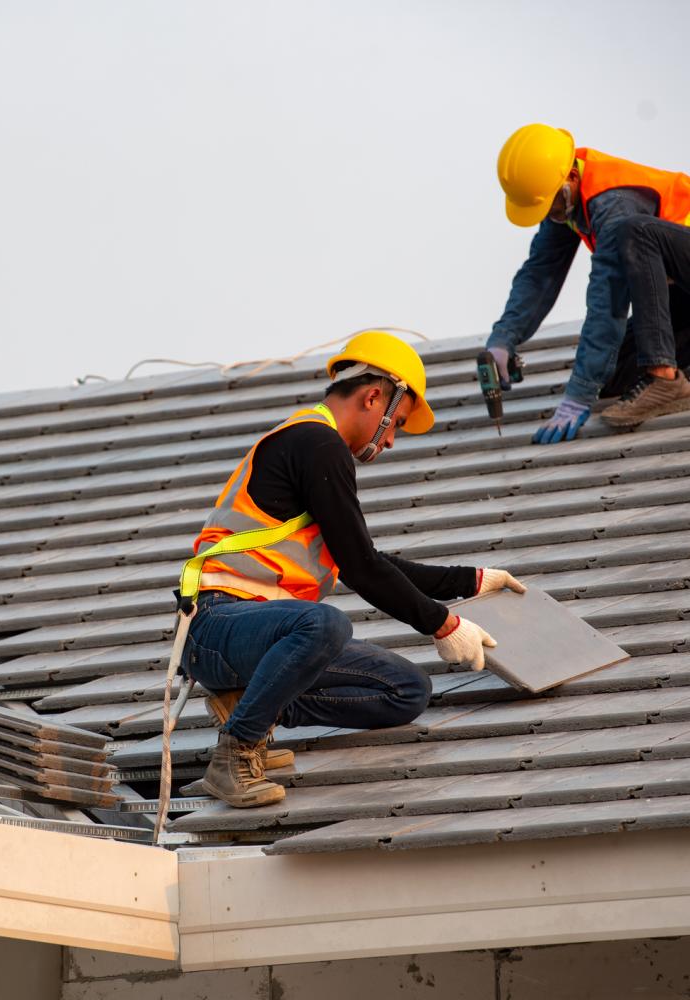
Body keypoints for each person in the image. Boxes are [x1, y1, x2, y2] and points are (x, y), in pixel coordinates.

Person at [181, 331, 525, 808]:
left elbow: (368, 560)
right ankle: (236, 753)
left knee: (407, 689)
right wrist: (442, 623)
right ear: (373, 397)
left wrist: (470, 581)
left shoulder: (317, 448)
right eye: (396, 424)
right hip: (216, 628)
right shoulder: (317, 444)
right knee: (325, 623)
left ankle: (248, 707)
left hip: (263, 637)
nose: (390, 441)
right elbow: (362, 569)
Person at [486, 124, 690, 444]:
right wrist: (504, 338)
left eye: (551, 204)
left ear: (570, 178)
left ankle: (664, 378)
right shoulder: (566, 199)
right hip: (685, 295)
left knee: (636, 233)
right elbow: (541, 272)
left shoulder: (613, 202)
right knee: (613, 377)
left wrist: (578, 394)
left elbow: (607, 298)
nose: (551, 215)